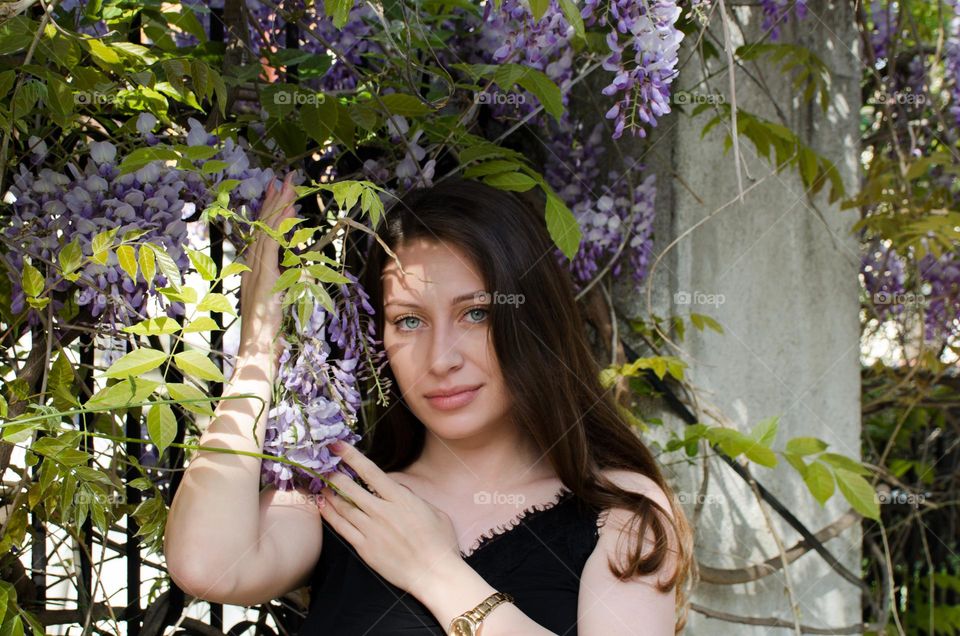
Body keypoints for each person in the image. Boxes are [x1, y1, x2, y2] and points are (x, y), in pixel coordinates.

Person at [164, 175, 694, 635]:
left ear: (533, 320)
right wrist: (258, 352)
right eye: (409, 321)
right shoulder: (344, 492)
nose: (441, 360)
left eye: (476, 314)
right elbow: (207, 562)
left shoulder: (618, 509)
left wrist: (435, 572)